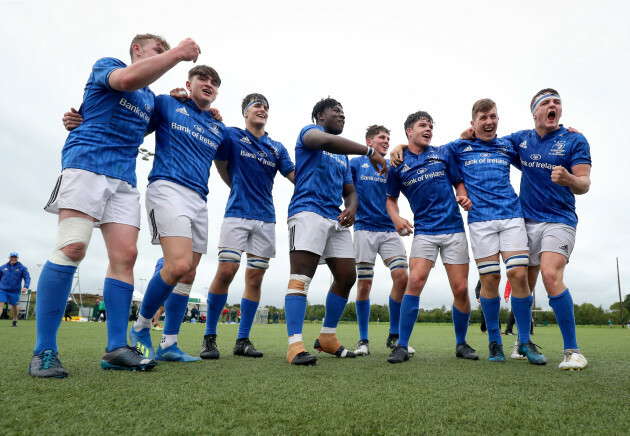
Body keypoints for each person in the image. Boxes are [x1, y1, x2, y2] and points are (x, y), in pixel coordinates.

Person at [30, 34, 200, 378]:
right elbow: (125, 81)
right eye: (158, 51)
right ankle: (44, 350)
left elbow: (162, 124)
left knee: (126, 258)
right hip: (87, 162)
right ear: (137, 50)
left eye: (167, 52)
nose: (164, 56)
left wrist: (193, 104)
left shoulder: (151, 98)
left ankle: (115, 349)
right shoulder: (109, 67)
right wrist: (180, 53)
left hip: (124, 179)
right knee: (73, 246)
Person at [127, 64, 226, 365]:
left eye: (214, 82)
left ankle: (170, 343)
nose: (209, 84)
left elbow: (227, 162)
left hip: (200, 198)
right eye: (202, 79)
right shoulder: (168, 103)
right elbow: (134, 129)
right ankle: (141, 328)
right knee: (179, 264)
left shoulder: (217, 126)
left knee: (188, 272)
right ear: (188, 83)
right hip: (167, 188)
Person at [284, 97, 387, 365]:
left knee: (346, 276)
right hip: (307, 212)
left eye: (344, 113)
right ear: (320, 115)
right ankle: (294, 346)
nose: (342, 116)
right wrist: (368, 151)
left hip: (335, 219)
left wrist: (352, 207)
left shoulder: (342, 155)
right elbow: (327, 142)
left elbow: (349, 190)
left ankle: (327, 337)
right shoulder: (309, 133)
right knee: (300, 279)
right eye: (336, 111)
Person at [442, 99, 544, 365]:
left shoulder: (508, 144)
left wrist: (569, 132)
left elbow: (539, 142)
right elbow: (427, 153)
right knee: (490, 281)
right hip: (480, 221)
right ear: (473, 123)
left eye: (493, 117)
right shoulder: (458, 147)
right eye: (483, 118)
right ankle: (494, 342)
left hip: (511, 216)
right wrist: (401, 146)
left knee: (518, 273)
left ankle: (524, 342)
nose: (489, 122)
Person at [199, 93, 295, 360]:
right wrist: (233, 186)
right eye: (256, 105)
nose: (262, 109)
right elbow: (220, 161)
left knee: (255, 278)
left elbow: (294, 176)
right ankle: (209, 337)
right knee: (226, 271)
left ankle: (242, 340)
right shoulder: (232, 135)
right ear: (245, 112)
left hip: (265, 218)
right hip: (237, 215)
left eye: (266, 106)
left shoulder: (277, 147)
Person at [501, 89, 592, 370]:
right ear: (535, 112)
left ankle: (573, 352)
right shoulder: (521, 140)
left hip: (559, 220)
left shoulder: (574, 140)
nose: (553, 105)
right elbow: (488, 143)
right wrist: (470, 131)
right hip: (525, 221)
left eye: (557, 102)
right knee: (521, 281)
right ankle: (523, 342)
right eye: (546, 102)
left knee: (551, 276)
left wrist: (569, 179)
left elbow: (585, 184)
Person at [385, 111, 477, 364]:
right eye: (422, 125)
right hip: (424, 231)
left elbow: (459, 182)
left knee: (460, 288)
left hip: (453, 229)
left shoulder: (443, 153)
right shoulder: (396, 163)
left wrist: (463, 195)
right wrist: (396, 218)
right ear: (408, 132)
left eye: (430, 126)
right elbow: (390, 199)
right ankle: (402, 345)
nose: (428, 129)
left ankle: (461, 343)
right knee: (414, 282)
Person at [348, 125, 412, 357]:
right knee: (364, 283)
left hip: (388, 229)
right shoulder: (356, 164)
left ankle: (394, 336)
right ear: (369, 141)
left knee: (402, 276)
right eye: (381, 138)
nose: (386, 141)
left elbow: (411, 150)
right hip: (364, 228)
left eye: (388, 138)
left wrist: (401, 145)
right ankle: (363, 340)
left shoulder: (393, 165)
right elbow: (345, 189)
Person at [0, 252, 30, 327]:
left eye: (15, 257)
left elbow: (27, 278)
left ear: (17, 258)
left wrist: (25, 287)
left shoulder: (22, 268)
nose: (13, 259)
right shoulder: (3, 267)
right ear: (9, 258)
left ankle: (15, 320)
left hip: (15, 291)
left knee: (15, 306)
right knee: (1, 304)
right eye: (12, 257)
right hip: (3, 290)